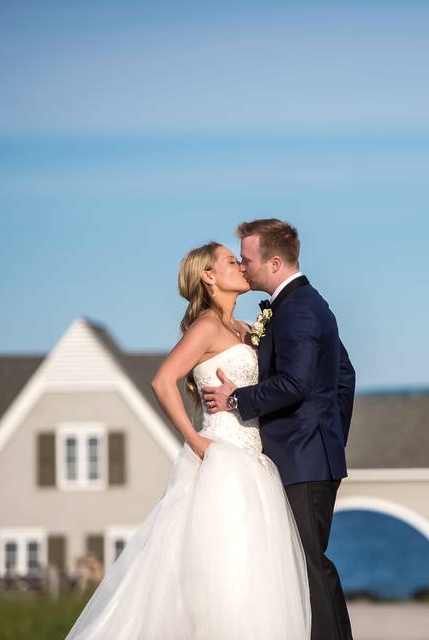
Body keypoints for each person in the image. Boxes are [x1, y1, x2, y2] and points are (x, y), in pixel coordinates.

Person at [64, 241, 310, 640]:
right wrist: (195, 441)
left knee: (255, 575)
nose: (242, 266)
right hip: (223, 461)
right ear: (208, 276)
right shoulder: (208, 326)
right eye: (232, 261)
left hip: (256, 462)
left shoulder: (247, 330)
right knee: (224, 573)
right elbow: (163, 381)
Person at [201, 218, 356, 640]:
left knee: (308, 565)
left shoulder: (300, 309)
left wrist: (238, 399)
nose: (244, 268)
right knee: (304, 564)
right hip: (308, 455)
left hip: (303, 460)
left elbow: (296, 384)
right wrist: (329, 433)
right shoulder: (298, 306)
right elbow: (344, 376)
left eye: (247, 260)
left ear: (273, 262)